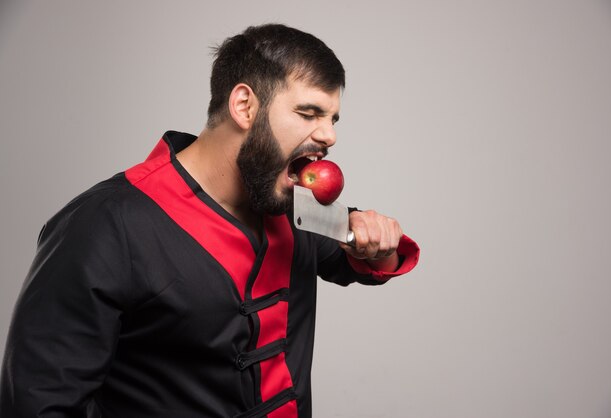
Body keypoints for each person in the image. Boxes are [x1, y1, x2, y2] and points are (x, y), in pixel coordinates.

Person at [0, 24, 419, 418]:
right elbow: (41, 402)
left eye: (333, 119)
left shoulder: (293, 204)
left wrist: (376, 241)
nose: (329, 136)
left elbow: (359, 257)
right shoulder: (104, 226)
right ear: (244, 106)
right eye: (309, 113)